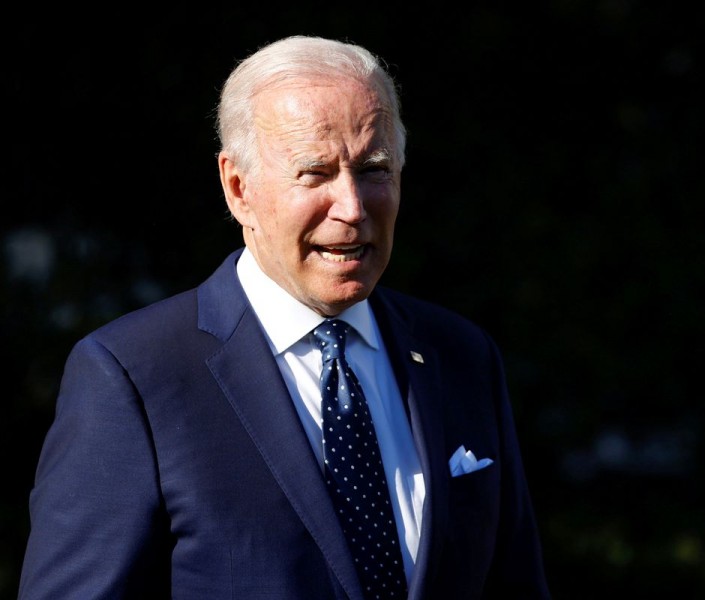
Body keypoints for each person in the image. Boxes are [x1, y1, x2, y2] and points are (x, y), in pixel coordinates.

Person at [18, 35, 551, 599]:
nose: (352, 207)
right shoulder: (134, 377)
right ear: (238, 188)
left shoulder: (460, 355)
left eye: (374, 169)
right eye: (316, 173)